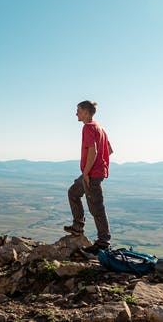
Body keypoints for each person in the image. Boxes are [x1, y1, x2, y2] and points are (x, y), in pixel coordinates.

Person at [64, 100, 113, 254]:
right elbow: (109, 150)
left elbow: (93, 151)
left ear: (85, 112)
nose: (76, 113)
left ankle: (103, 242)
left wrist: (86, 172)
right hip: (93, 172)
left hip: (91, 174)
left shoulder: (88, 127)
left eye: (78, 110)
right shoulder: (100, 128)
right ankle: (78, 226)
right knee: (73, 192)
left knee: (96, 207)